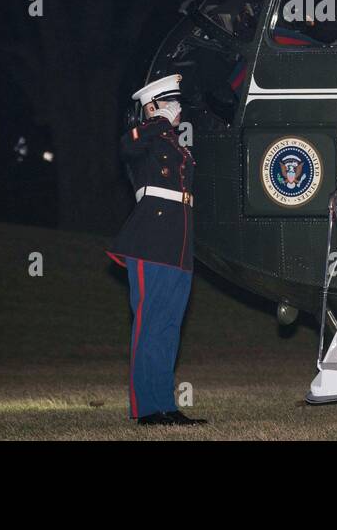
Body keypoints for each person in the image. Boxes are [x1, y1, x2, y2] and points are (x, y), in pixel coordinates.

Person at [105, 73, 205, 426]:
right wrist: (156, 117)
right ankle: (146, 408)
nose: (178, 110)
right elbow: (126, 145)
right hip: (150, 238)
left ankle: (166, 404)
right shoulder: (145, 138)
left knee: (169, 326)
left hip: (177, 241)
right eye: (170, 103)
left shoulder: (176, 144)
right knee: (149, 324)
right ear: (152, 106)